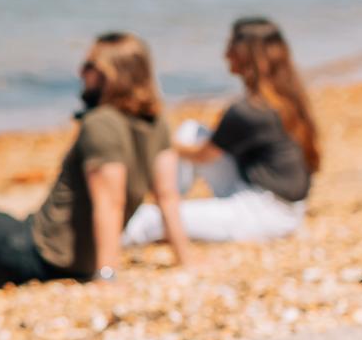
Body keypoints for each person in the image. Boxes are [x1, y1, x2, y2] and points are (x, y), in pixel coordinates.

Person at [0, 31, 189, 287]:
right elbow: (167, 197)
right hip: (68, 259)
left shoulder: (101, 123)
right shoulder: (157, 124)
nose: (80, 72)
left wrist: (106, 274)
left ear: (111, 75)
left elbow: (110, 202)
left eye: (90, 66)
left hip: (40, 255)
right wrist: (185, 260)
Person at [125, 17, 318, 246]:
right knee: (191, 131)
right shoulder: (288, 99)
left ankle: (160, 214)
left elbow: (201, 155)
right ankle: (170, 202)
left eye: (230, 47)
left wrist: (158, 139)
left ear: (245, 55)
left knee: (150, 219)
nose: (225, 55)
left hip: (264, 213)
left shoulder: (248, 111)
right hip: (284, 203)